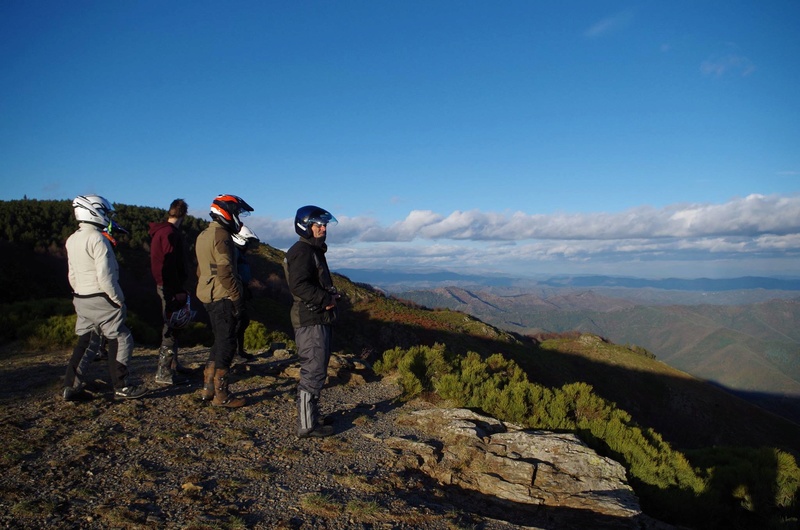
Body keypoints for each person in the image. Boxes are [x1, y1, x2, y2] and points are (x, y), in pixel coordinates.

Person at [62, 195, 147, 401]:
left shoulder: (72, 238)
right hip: (102, 296)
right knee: (121, 337)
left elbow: (71, 274)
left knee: (87, 341)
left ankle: (70, 386)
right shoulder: (98, 239)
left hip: (81, 296)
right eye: (105, 212)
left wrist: (79, 293)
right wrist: (117, 299)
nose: (107, 217)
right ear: (94, 211)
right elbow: (105, 276)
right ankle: (121, 385)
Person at [283, 205, 341, 438]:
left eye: (324, 224)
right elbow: (298, 285)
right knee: (314, 370)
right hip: (309, 319)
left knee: (318, 368)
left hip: (315, 316)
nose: (323, 228)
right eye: (317, 224)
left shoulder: (312, 250)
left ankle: (312, 416)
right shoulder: (302, 251)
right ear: (305, 226)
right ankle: (307, 425)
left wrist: (329, 296)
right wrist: (325, 298)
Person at [195, 194, 253, 408]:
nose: (239, 217)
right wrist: (237, 298)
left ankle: (208, 387)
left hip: (207, 294)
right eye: (237, 212)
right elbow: (226, 270)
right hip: (222, 295)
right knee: (227, 342)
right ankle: (222, 395)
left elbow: (200, 269)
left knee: (219, 339)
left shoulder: (203, 234)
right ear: (226, 211)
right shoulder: (222, 235)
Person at [149, 198, 192, 385]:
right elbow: (169, 266)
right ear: (184, 214)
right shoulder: (170, 234)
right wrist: (176, 290)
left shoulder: (161, 232)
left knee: (173, 325)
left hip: (165, 285)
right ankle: (164, 371)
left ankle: (173, 364)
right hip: (169, 287)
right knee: (172, 326)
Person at [231, 225, 260, 361]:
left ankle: (239, 351)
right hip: (236, 290)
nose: (248, 245)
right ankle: (235, 353)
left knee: (243, 320)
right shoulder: (234, 252)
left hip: (242, 288)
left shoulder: (238, 252)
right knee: (238, 321)